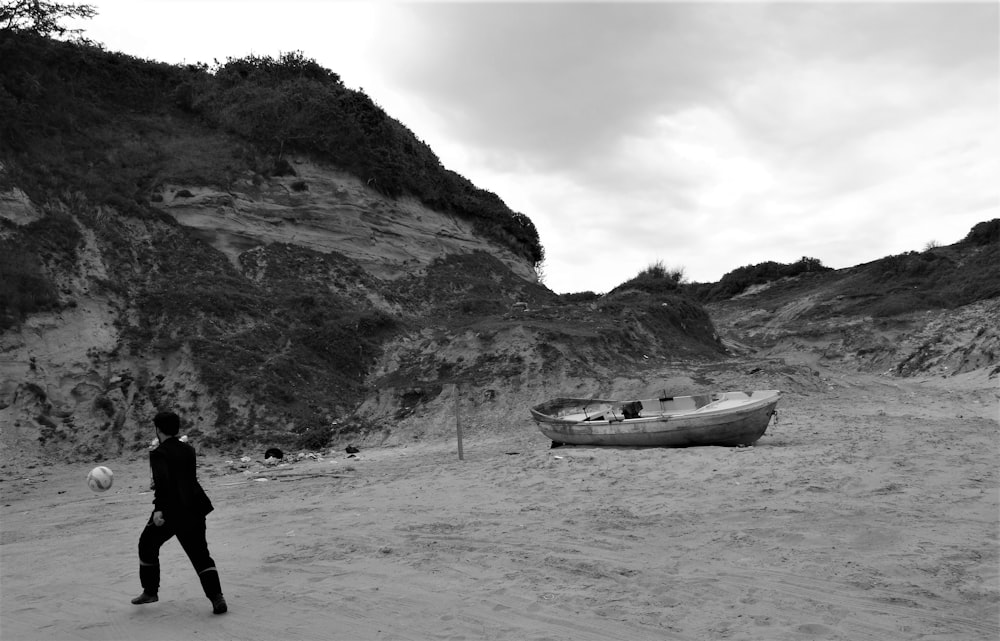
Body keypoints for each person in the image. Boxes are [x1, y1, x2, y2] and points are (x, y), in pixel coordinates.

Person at [131, 411, 227, 615]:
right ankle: (217, 598)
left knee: (147, 544)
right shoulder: (188, 450)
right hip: (194, 506)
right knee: (201, 554)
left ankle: (150, 591)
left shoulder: (158, 454)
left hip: (171, 510)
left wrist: (158, 509)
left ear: (158, 429)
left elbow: (163, 484)